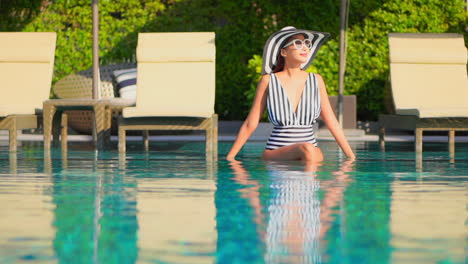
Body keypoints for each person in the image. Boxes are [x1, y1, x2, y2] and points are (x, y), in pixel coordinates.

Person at [226, 26, 355, 162]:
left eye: (307, 44)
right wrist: (231, 158)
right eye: (298, 43)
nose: (305, 48)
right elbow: (250, 123)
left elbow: (332, 122)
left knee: (309, 150)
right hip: (276, 152)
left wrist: (351, 157)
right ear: (284, 52)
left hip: (310, 152)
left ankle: (308, 182)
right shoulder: (268, 81)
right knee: (307, 149)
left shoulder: (316, 80)